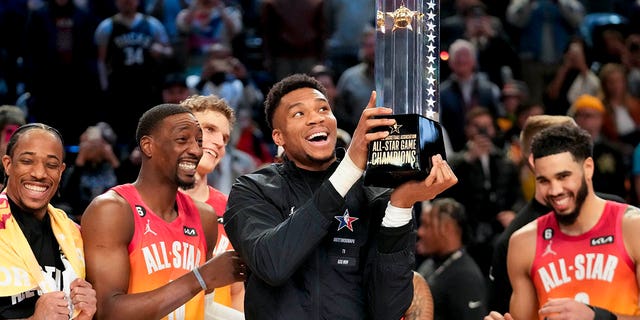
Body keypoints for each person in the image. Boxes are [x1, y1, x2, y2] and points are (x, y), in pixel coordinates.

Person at [223, 73, 458, 319]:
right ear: (278, 137)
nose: (316, 118)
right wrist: (351, 167)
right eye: (299, 114)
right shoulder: (252, 189)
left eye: (323, 109)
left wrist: (401, 205)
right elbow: (272, 265)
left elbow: (386, 309)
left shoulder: (373, 194)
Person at [80, 103, 246, 319]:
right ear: (148, 146)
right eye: (182, 140)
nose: (196, 150)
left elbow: (203, 309)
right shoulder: (112, 210)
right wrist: (200, 278)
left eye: (198, 141)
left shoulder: (205, 217)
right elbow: (108, 311)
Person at [486, 124, 640, 320]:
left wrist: (598, 318)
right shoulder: (523, 243)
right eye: (544, 181)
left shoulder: (633, 228)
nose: (554, 190)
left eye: (563, 176)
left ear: (588, 168)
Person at [0, 123, 96, 319]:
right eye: (27, 161)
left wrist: (85, 314)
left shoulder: (74, 234)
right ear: (8, 164)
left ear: (61, 171)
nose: (39, 173)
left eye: (51, 165)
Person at [179, 94, 245, 312]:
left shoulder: (233, 210)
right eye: (208, 129)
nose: (218, 142)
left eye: (225, 138)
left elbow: (238, 292)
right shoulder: (137, 202)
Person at [416, 198, 488, 320]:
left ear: (447, 228)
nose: (420, 232)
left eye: (427, 225)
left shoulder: (466, 277)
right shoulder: (429, 264)